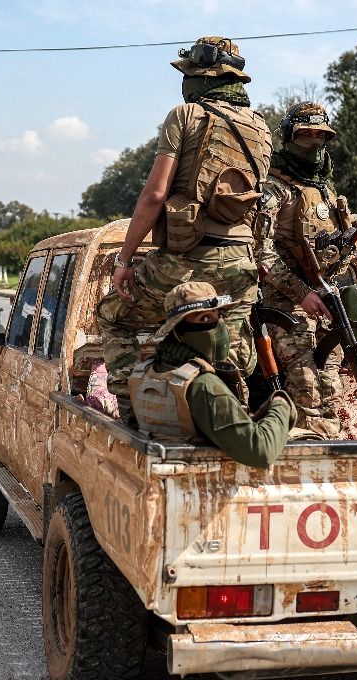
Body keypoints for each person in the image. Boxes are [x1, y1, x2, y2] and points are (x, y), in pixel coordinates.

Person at [96, 36, 273, 419]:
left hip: (186, 260)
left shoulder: (185, 115)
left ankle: (133, 413)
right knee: (230, 345)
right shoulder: (261, 127)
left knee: (113, 316)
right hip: (241, 264)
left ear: (199, 78)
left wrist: (124, 259)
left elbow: (155, 196)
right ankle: (230, 417)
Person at [256, 102, 357, 438]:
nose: (314, 144)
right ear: (289, 138)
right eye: (305, 136)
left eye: (321, 136)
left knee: (331, 381)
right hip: (285, 304)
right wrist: (301, 293)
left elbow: (339, 229)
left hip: (325, 300)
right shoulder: (274, 189)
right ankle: (304, 448)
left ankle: (330, 445)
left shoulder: (323, 187)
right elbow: (260, 251)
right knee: (304, 383)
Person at [130, 282, 295, 468]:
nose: (219, 327)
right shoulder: (203, 384)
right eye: (204, 319)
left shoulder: (145, 372)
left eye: (219, 316)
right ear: (179, 330)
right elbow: (260, 452)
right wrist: (281, 405)